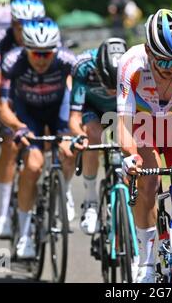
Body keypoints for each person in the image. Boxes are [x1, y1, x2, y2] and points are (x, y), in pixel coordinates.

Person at [117, 9, 172, 283]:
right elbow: (124, 122)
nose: (170, 68)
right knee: (148, 183)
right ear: (148, 51)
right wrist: (130, 157)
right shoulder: (131, 63)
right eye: (163, 61)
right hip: (143, 125)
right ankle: (145, 261)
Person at [0, 17, 80, 258]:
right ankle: (24, 234)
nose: (41, 59)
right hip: (27, 114)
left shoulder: (67, 60)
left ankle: (63, 188)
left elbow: (76, 98)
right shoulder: (13, 61)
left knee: (68, 150)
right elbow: (3, 107)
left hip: (58, 110)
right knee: (33, 166)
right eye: (36, 53)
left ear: (56, 49)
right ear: (26, 49)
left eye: (47, 54)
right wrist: (18, 128)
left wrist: (70, 131)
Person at [0, 0, 50, 239]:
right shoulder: (0, 36)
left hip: (39, 96)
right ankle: (3, 212)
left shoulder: (48, 33)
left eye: (31, 25)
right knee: (12, 144)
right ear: (12, 23)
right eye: (19, 26)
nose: (24, 31)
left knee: (41, 147)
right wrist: (1, 105)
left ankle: (36, 203)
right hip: (8, 96)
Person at [69, 37, 128, 235]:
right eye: (107, 85)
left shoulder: (135, 63)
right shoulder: (82, 66)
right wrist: (80, 136)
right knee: (92, 136)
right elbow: (74, 116)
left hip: (121, 111)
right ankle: (91, 200)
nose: (111, 91)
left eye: (116, 86)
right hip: (92, 108)